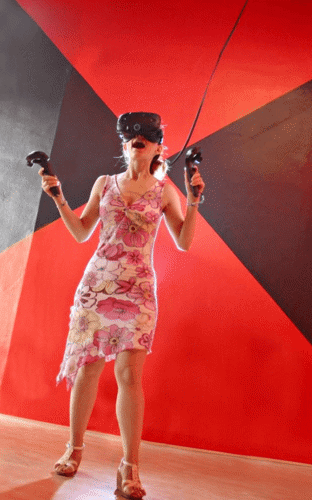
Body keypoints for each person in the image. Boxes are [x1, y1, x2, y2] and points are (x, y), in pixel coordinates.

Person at [39, 112, 205, 499]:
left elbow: (184, 242)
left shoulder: (165, 191)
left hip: (138, 290)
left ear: (159, 147)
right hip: (97, 285)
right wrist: (59, 198)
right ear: (124, 144)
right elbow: (82, 232)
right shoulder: (104, 183)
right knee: (88, 369)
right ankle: (73, 449)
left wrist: (194, 201)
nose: (136, 140)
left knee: (129, 375)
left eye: (145, 136)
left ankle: (129, 467)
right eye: (130, 135)